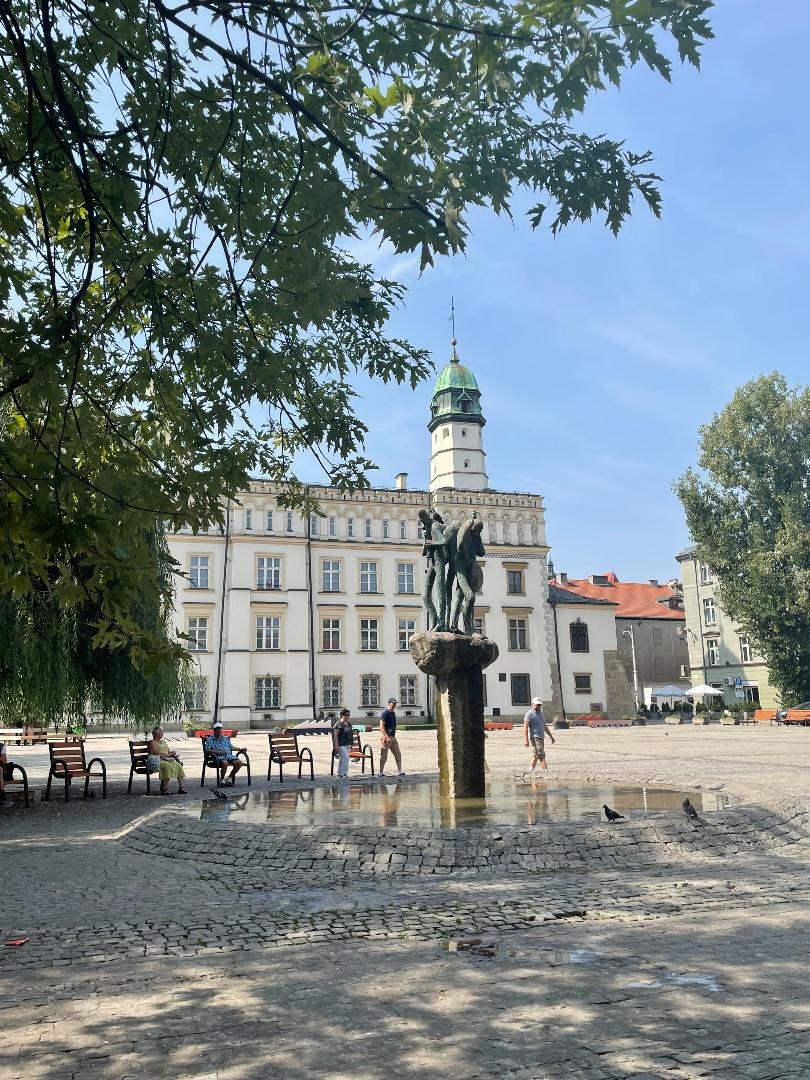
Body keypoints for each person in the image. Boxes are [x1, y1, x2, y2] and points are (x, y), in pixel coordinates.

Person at [204, 720, 247, 786]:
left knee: (238, 762)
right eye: (217, 729)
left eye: (220, 729)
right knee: (225, 763)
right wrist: (218, 752)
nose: (219, 731)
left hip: (228, 756)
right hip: (217, 757)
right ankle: (222, 780)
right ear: (214, 730)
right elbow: (207, 750)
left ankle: (229, 778)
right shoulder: (210, 739)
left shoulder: (225, 738)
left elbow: (231, 747)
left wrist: (240, 749)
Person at [148, 726, 188, 795]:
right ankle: (165, 789)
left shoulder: (163, 741)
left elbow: (168, 752)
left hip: (166, 759)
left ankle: (181, 787)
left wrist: (172, 753)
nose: (163, 733)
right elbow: (155, 753)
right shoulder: (152, 742)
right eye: (161, 732)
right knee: (166, 766)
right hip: (158, 760)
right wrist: (167, 754)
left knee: (178, 765)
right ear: (156, 733)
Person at [523, 697, 556, 772]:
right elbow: (525, 727)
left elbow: (544, 726)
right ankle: (545, 770)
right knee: (541, 754)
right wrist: (526, 740)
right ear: (533, 704)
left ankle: (531, 770)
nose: (538, 706)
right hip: (535, 737)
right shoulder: (529, 714)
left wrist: (551, 736)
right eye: (537, 705)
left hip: (541, 736)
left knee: (536, 753)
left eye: (539, 705)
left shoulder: (541, 714)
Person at [379, 697, 404, 778]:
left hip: (393, 737)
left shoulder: (393, 713)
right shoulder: (385, 713)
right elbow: (381, 726)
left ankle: (400, 771)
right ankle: (381, 772)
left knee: (398, 754)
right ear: (389, 704)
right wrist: (386, 737)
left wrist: (392, 737)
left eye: (395, 704)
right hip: (386, 738)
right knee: (384, 756)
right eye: (393, 704)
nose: (394, 705)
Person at [332, 708, 354, 780]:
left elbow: (350, 733)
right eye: (347, 715)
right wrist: (336, 745)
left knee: (342, 758)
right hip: (341, 743)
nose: (348, 716)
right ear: (342, 715)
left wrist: (351, 744)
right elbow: (335, 734)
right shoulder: (339, 723)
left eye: (349, 715)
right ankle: (344, 773)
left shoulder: (349, 723)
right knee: (346, 757)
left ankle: (339, 773)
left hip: (347, 743)